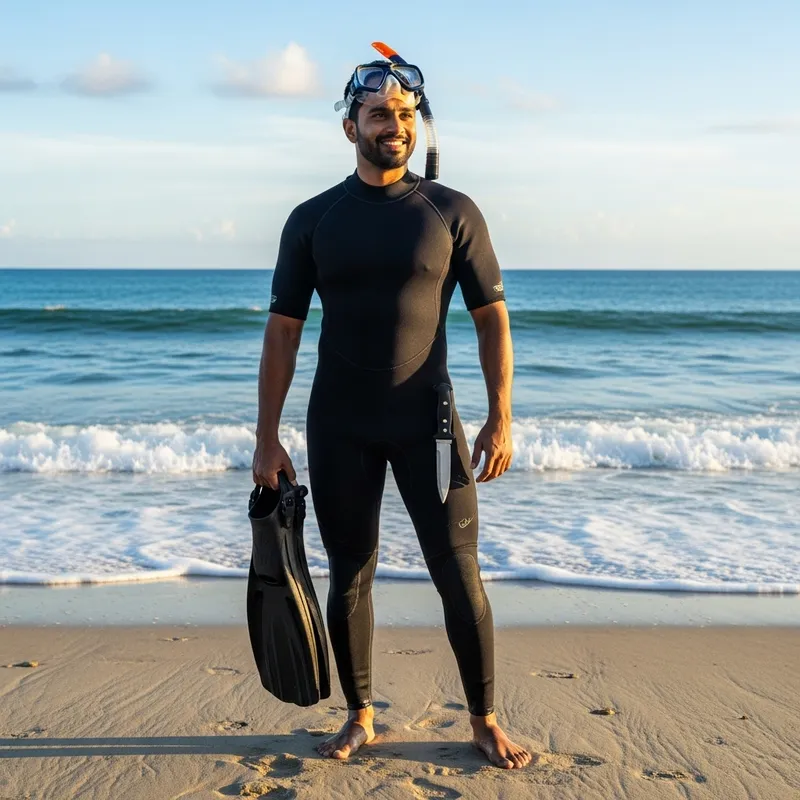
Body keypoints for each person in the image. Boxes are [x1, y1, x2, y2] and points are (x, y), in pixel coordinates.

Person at [252, 54, 530, 770]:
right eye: (379, 115)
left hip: (430, 424)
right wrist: (267, 437)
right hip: (340, 422)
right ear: (351, 127)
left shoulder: (451, 212)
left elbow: (491, 317)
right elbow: (283, 331)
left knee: (458, 570)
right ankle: (361, 715)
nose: (394, 127)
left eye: (406, 116)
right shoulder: (313, 220)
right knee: (350, 570)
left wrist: (501, 415)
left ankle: (484, 717)